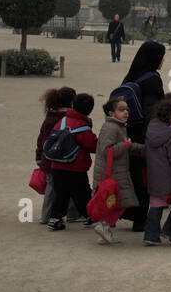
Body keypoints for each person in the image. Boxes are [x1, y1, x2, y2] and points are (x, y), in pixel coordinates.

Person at [116, 40, 166, 230]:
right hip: (143, 133)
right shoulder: (152, 79)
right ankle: (140, 219)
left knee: (133, 174)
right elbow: (152, 111)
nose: (163, 60)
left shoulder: (132, 75)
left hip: (128, 130)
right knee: (145, 177)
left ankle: (130, 212)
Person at [92, 96, 144, 244]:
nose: (126, 112)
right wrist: (127, 146)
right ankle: (104, 226)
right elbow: (106, 150)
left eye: (127, 109)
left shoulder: (118, 126)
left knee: (117, 202)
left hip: (116, 173)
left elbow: (124, 145)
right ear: (111, 113)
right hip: (112, 174)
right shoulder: (111, 127)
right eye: (121, 110)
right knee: (121, 203)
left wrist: (141, 149)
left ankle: (104, 229)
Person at [46, 93, 99, 228]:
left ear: (72, 105)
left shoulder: (62, 122)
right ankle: (90, 215)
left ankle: (55, 218)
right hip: (76, 166)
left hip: (57, 164)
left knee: (60, 193)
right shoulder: (83, 127)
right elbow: (93, 146)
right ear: (90, 110)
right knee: (82, 193)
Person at [144, 96, 171, 245]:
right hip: (170, 179)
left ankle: (150, 235)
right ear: (169, 115)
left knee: (156, 205)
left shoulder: (152, 129)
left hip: (154, 177)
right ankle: (170, 232)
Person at [35, 85, 76, 224]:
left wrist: (38, 156)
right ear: (72, 102)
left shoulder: (50, 116)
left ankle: (49, 215)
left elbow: (41, 138)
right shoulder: (68, 118)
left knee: (53, 187)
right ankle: (67, 214)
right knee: (64, 186)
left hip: (48, 157)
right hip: (62, 159)